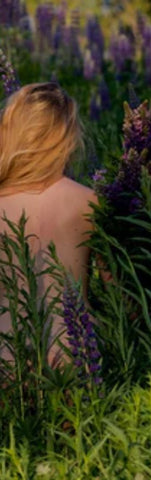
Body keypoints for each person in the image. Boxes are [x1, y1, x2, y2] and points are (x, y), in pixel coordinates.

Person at [0, 82, 96, 368]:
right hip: (73, 361)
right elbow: (118, 296)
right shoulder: (89, 202)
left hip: (7, 366)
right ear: (66, 140)